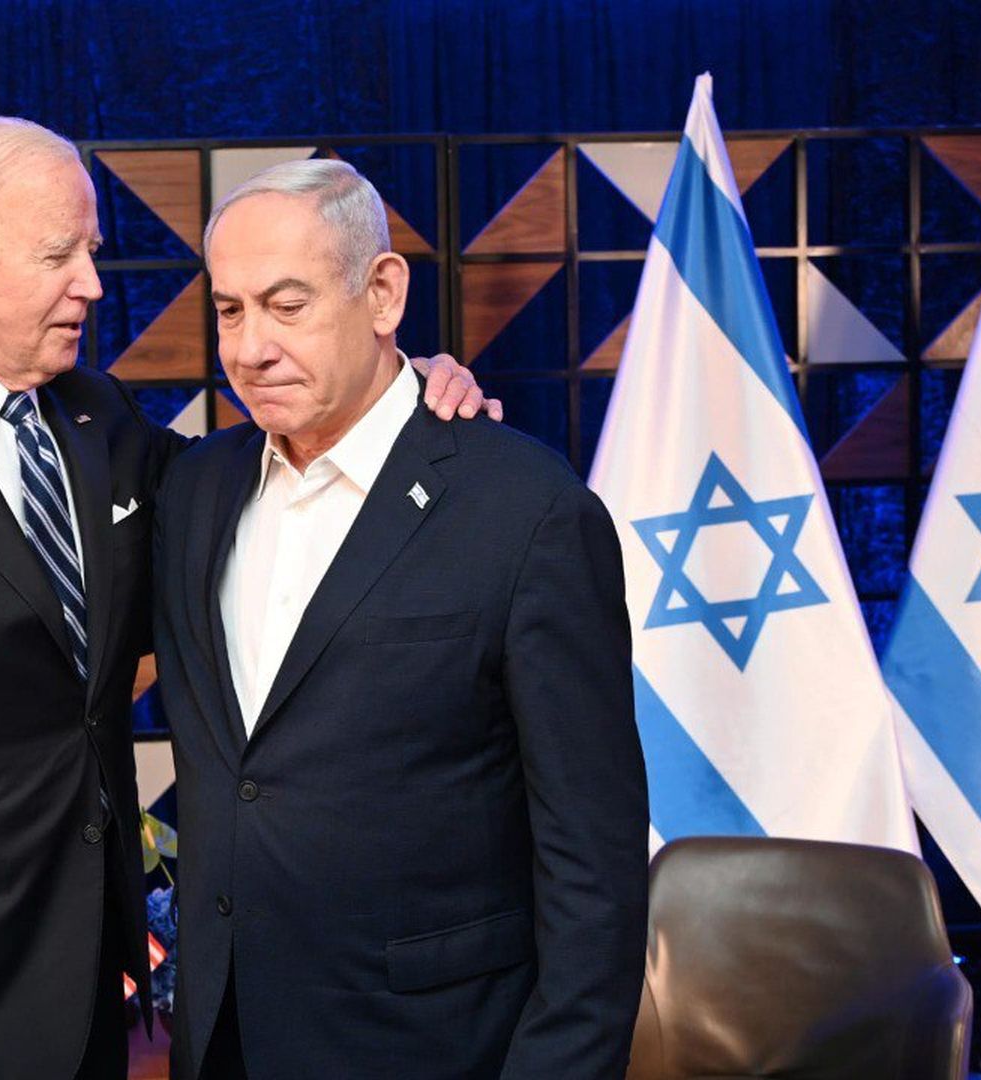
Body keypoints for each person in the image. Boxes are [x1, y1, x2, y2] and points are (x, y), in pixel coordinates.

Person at [0, 117, 496, 1080]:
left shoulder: (101, 419)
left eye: (89, 250)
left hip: (86, 998)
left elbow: (271, 473)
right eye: (62, 254)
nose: (93, 281)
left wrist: (400, 385)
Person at [153, 158, 649, 1080]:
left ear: (383, 294)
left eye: (287, 304)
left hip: (435, 1048)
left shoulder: (527, 511)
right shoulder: (193, 489)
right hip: (222, 1042)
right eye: (229, 310)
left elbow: (595, 868)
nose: (249, 347)